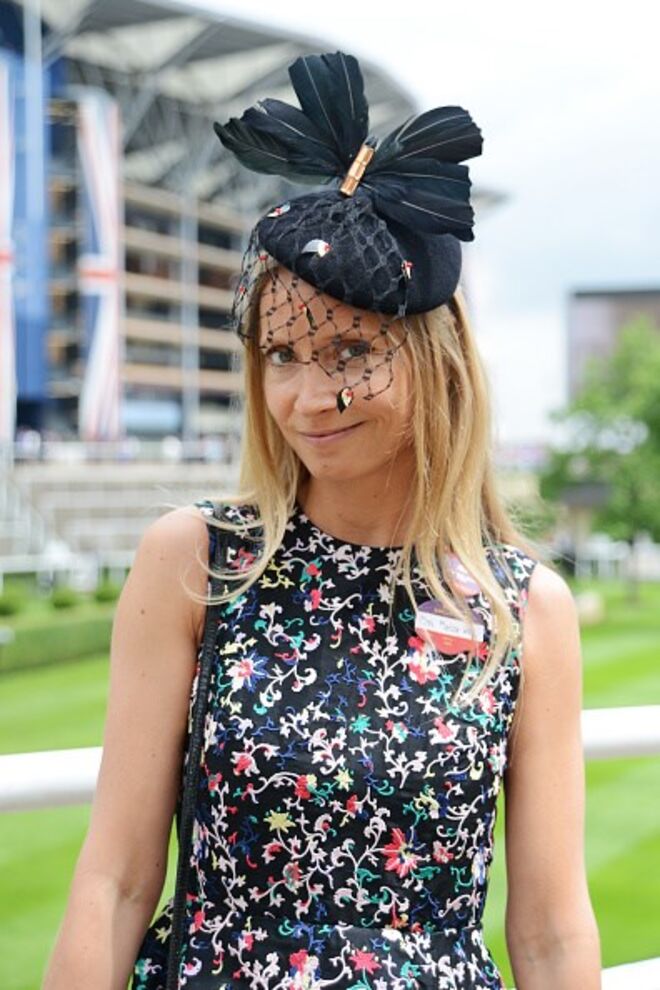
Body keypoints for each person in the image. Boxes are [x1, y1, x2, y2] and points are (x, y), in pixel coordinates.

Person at [43, 52, 601, 990]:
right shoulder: (198, 562)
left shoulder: (523, 608)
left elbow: (548, 933)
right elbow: (116, 883)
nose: (308, 397)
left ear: (436, 360)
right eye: (281, 354)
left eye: (350, 351)